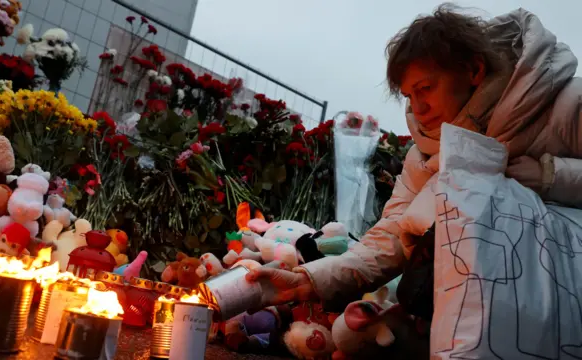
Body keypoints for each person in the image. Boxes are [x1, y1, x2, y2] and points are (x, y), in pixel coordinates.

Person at [247, 4, 582, 317]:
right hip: (483, 316)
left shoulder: (563, 104)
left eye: (426, 88)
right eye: (409, 95)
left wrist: (549, 177)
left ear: (474, 70)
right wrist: (312, 278)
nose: (418, 108)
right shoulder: (424, 153)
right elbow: (390, 235)